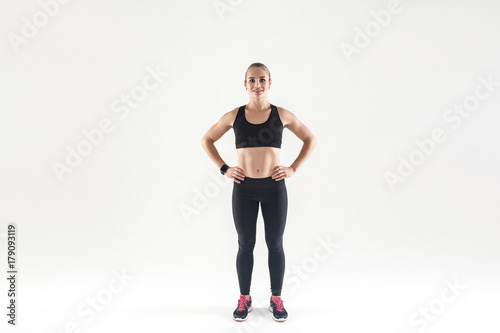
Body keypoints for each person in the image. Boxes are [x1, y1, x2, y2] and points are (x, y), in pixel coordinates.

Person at [200, 62, 317, 322]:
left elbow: (310, 139)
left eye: (262, 80)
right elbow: (206, 139)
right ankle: (245, 298)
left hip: (274, 188)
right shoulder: (234, 115)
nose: (257, 85)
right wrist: (224, 168)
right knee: (245, 244)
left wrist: (293, 168)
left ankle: (277, 298)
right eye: (252, 80)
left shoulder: (282, 115)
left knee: (275, 244)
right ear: (245, 84)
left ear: (270, 83)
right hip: (244, 189)